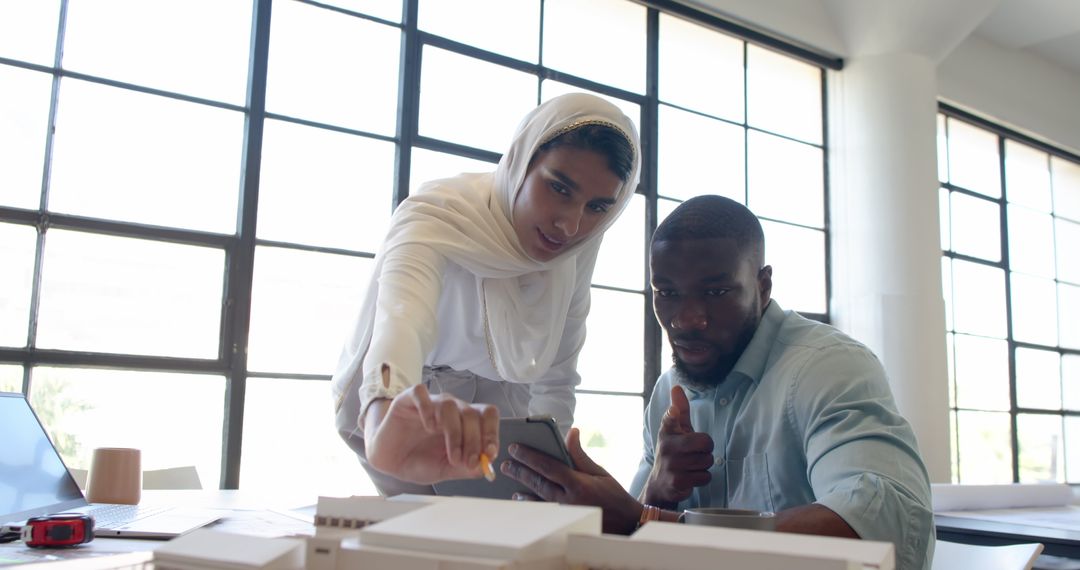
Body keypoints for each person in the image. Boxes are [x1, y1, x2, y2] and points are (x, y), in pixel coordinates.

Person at [500, 195, 934, 570]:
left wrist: (648, 521)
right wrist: (660, 491)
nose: (687, 320)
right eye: (666, 293)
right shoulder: (670, 392)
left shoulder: (828, 368)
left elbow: (884, 526)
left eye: (716, 292)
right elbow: (632, 540)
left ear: (762, 287)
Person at [331, 93, 641, 495]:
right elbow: (402, 322)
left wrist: (553, 478)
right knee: (414, 536)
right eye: (559, 188)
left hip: (502, 416)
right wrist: (384, 415)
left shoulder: (577, 250)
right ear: (520, 160)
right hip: (407, 405)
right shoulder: (437, 212)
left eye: (598, 207)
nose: (570, 225)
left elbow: (557, 376)